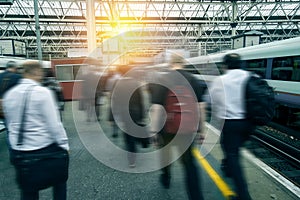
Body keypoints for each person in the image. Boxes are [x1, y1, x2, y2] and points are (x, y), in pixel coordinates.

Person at [3, 61, 69, 200]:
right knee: (59, 181)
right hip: (44, 149)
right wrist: (64, 145)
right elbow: (54, 124)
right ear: (37, 72)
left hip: (20, 152)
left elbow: (10, 125)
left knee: (28, 190)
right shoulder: (43, 93)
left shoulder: (10, 94)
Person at [150, 54, 206, 200]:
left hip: (166, 128)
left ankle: (166, 177)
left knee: (165, 155)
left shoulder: (162, 79)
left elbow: (157, 108)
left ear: (170, 64)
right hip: (187, 129)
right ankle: (196, 196)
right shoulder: (193, 80)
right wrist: (202, 129)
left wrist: (154, 131)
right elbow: (201, 108)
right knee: (189, 164)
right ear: (183, 63)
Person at [207, 53, 254, 200]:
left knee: (232, 154)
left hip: (230, 123)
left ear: (225, 65)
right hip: (248, 123)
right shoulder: (250, 76)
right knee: (234, 149)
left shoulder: (220, 80)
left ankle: (243, 195)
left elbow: (210, 100)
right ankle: (227, 166)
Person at [112, 65, 147, 168]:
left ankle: (131, 159)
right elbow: (141, 101)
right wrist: (143, 115)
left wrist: (114, 116)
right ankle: (135, 147)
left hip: (124, 113)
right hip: (135, 113)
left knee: (127, 133)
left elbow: (114, 101)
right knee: (134, 131)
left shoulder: (118, 84)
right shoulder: (136, 83)